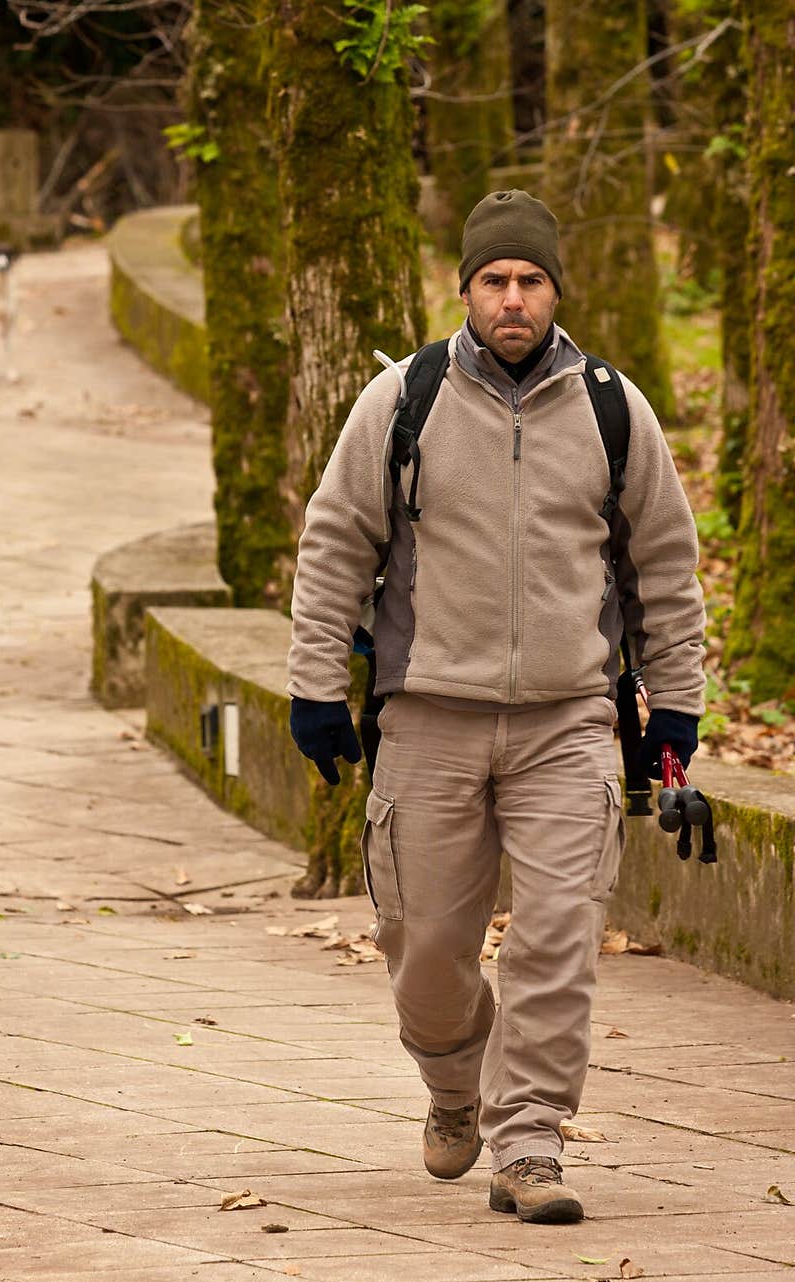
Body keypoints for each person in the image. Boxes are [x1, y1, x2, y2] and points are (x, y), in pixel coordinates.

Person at [286, 189, 705, 1224]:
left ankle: (528, 1143)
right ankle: (451, 1084)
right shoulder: (403, 402)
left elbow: (664, 564)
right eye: (494, 280)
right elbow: (335, 542)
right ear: (465, 289)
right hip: (427, 714)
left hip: (568, 721)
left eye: (530, 280)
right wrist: (312, 688)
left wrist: (677, 713)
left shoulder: (613, 406)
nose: (512, 298)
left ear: (556, 288)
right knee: (424, 950)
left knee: (558, 937)